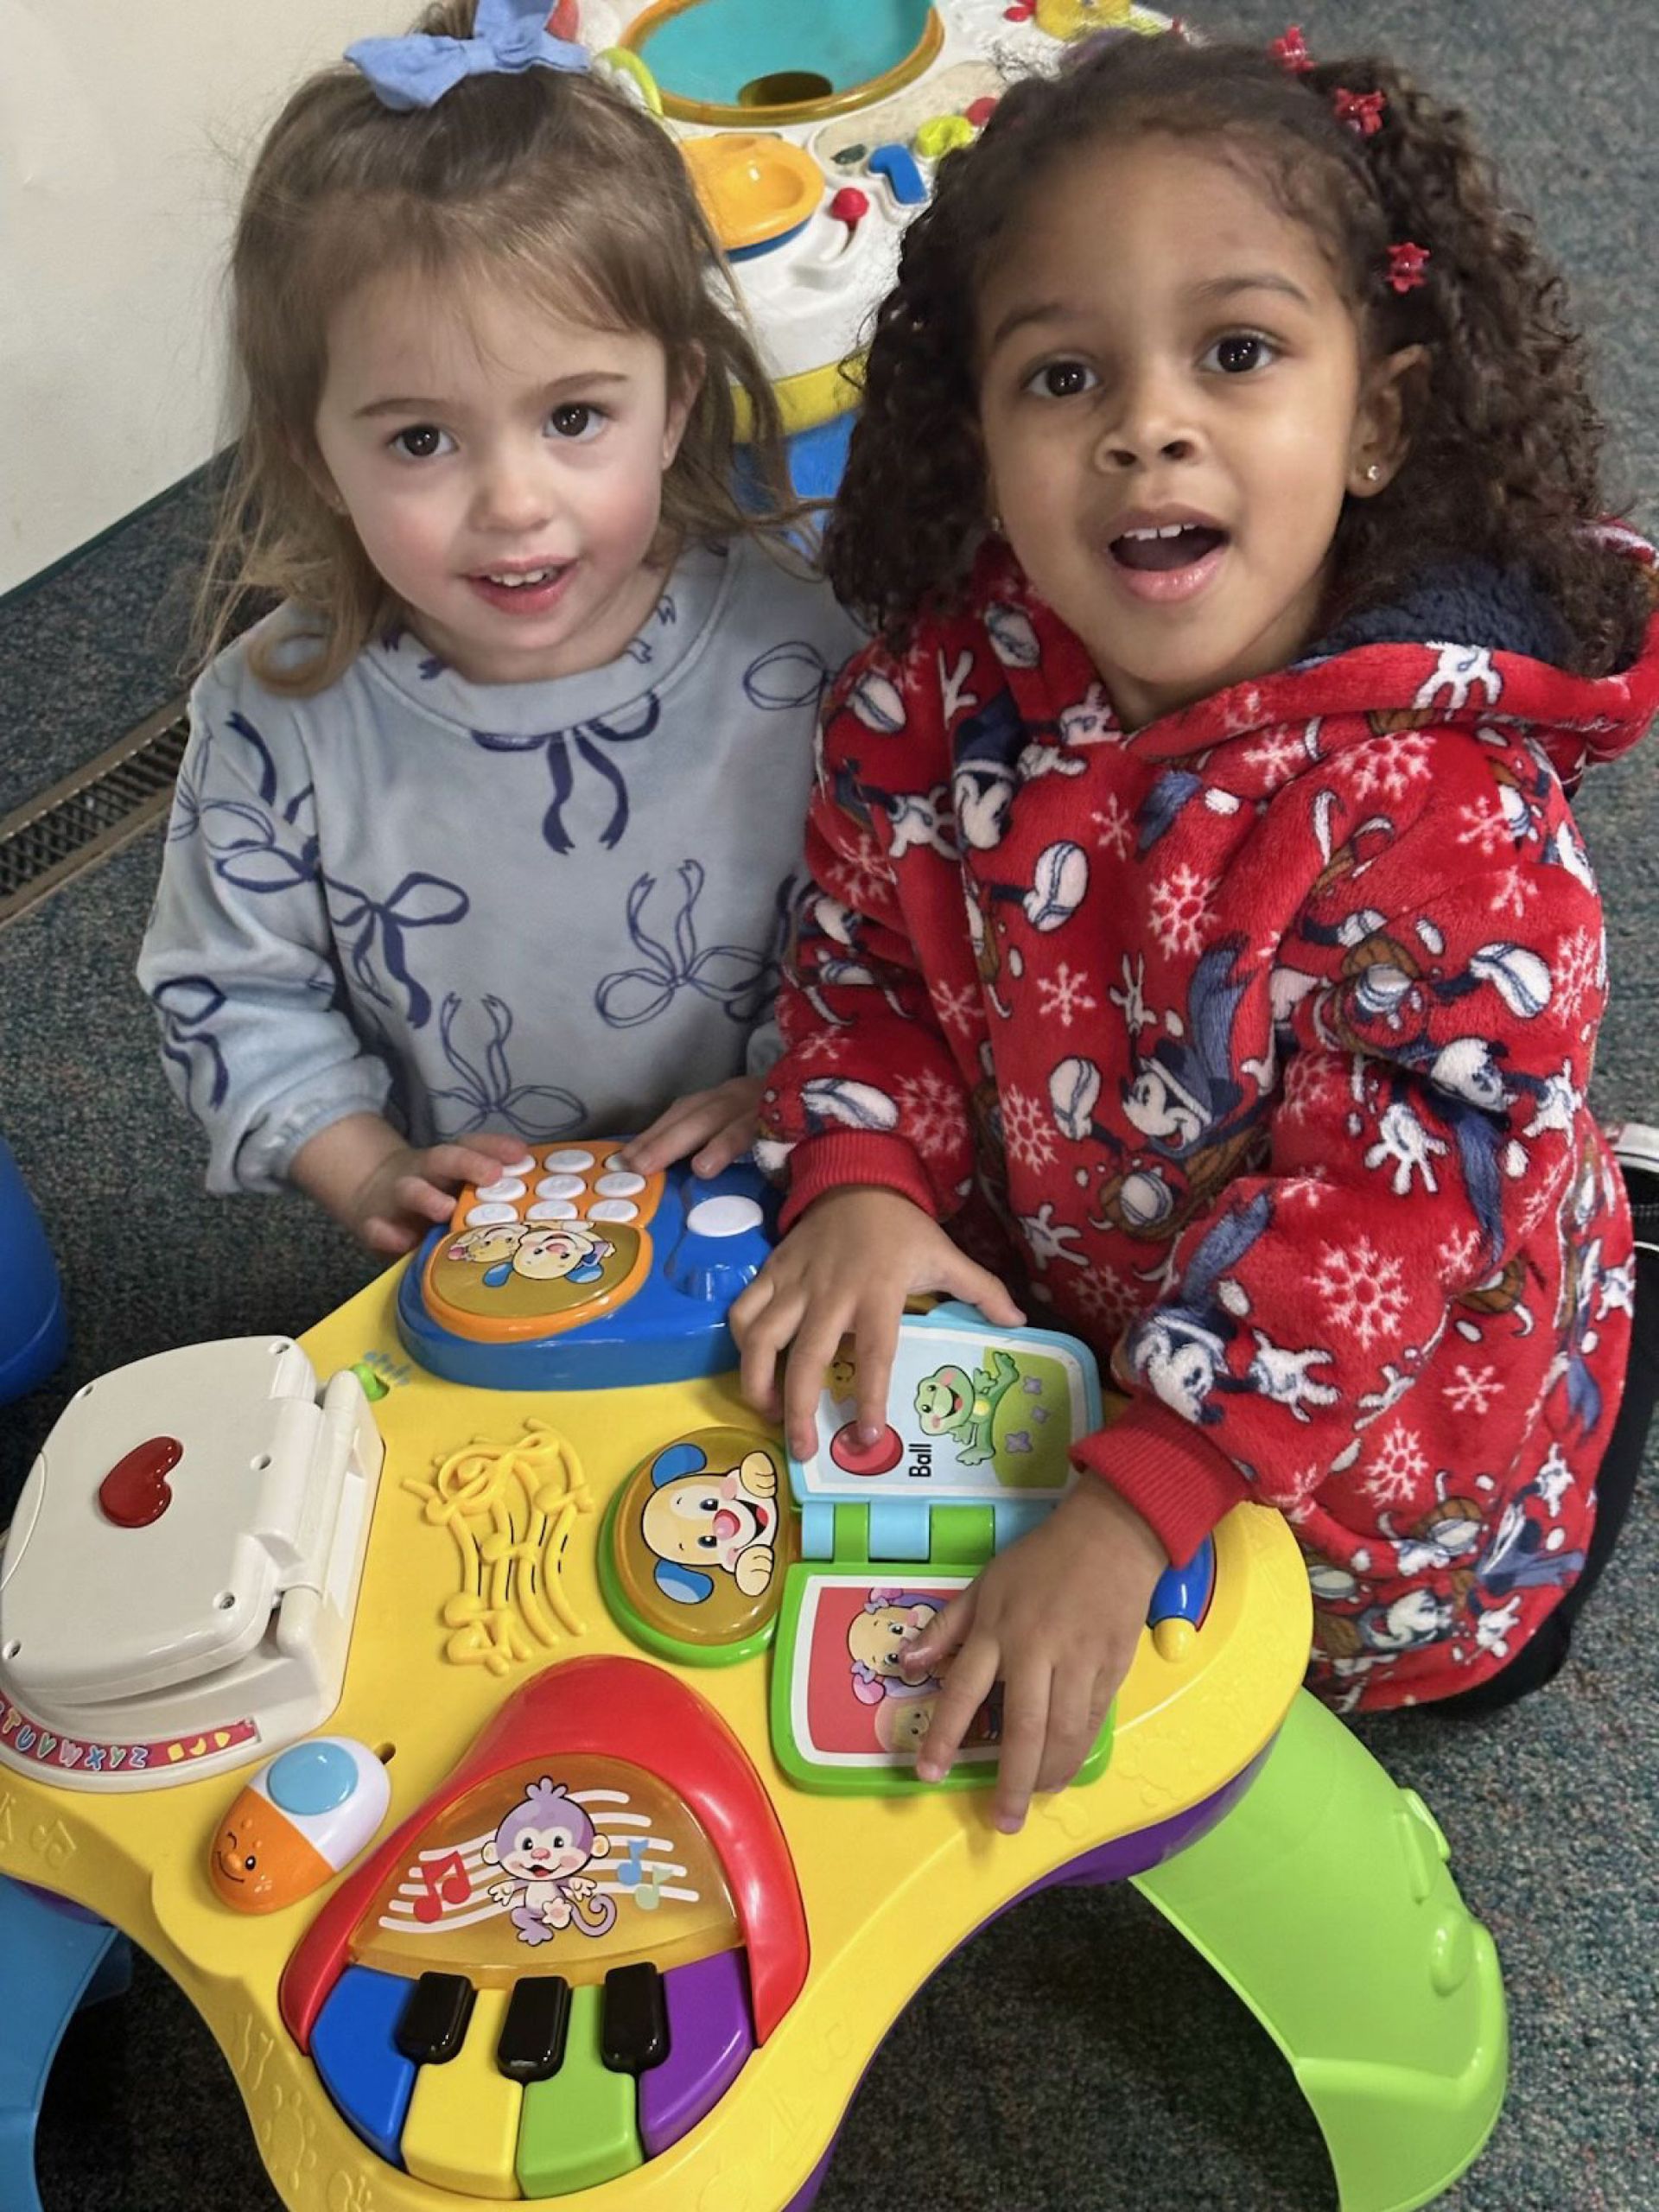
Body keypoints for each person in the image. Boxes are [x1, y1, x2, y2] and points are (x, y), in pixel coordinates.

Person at [731, 25, 1659, 1828]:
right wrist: (856, 1165)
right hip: (1085, 1291)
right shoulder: (945, 687)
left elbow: (1379, 1212)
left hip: (1396, 1427)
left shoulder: (1451, 815)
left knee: (1436, 1667)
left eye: (1237, 354)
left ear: (1374, 416)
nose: (1148, 422)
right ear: (975, 433)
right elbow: (864, 949)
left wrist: (1145, 1484)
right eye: (1063, 376)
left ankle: (1621, 1230)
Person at [138, 0, 861, 1254]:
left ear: (679, 399)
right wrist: (368, 1170)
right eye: (422, 439)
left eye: (575, 417)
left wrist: (797, 1089)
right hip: (479, 1244)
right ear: (316, 457)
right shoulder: (274, 718)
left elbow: (890, 923)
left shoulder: (809, 651)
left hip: (784, 1199)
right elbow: (230, 990)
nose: (514, 504)